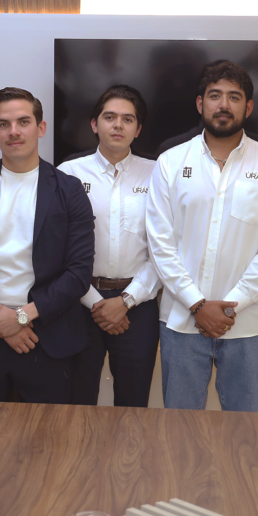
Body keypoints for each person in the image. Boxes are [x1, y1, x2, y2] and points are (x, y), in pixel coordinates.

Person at [146, 60, 258, 412]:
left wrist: (231, 305)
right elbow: (160, 243)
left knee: (246, 432)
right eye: (215, 96)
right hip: (181, 322)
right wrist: (197, 304)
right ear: (201, 104)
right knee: (180, 430)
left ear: (248, 107)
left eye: (234, 97)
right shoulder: (170, 162)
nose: (223, 105)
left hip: (247, 325)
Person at [0, 87, 95, 403]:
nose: (14, 131)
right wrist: (0, 320)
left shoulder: (69, 191)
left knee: (48, 433)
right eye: (4, 124)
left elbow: (78, 273)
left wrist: (21, 317)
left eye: (23, 122)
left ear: (41, 127)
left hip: (48, 340)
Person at [59, 86, 161, 407]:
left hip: (138, 306)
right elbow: (58, 248)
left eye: (127, 119)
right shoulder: (68, 174)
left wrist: (126, 301)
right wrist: (96, 303)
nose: (118, 125)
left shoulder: (158, 174)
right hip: (78, 303)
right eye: (110, 117)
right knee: (77, 403)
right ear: (94, 124)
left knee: (133, 406)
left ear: (138, 129)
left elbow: (165, 248)